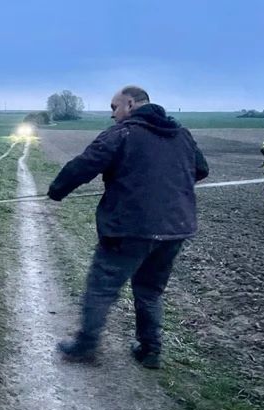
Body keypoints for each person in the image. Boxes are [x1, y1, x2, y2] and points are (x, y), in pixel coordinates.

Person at [47, 86, 209, 369]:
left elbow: (85, 164)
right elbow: (202, 169)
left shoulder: (123, 133)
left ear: (131, 104)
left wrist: (57, 191)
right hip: (175, 230)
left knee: (101, 288)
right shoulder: (181, 134)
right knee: (149, 291)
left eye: (114, 107)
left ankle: (85, 346)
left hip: (129, 228)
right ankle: (150, 350)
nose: (112, 115)